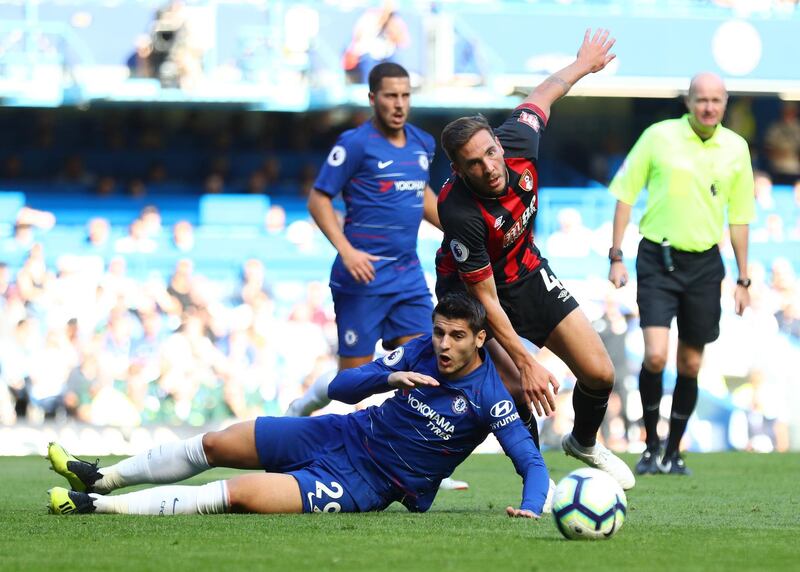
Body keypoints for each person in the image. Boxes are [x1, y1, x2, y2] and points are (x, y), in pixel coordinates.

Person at [46, 293, 551, 518]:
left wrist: (530, 509)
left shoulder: (490, 398)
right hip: (343, 433)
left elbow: (531, 462)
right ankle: (102, 477)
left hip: (367, 483)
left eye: (456, 336)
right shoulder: (418, 348)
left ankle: (100, 506)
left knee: (241, 495)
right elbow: (341, 386)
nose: (442, 344)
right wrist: (387, 374)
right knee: (217, 441)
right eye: (439, 331)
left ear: (481, 339)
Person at [435, 29, 635, 491]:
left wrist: (583, 63)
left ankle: (583, 443)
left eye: (490, 152)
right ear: (458, 171)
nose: (489, 166)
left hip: (527, 272)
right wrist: (525, 363)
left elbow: (545, 92)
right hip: (471, 296)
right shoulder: (460, 210)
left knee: (600, 373)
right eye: (474, 163)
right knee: (515, 391)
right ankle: (537, 483)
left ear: (500, 143)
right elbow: (485, 296)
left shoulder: (518, 141)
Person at [607, 72, 755, 476]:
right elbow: (625, 192)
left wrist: (743, 279)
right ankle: (650, 446)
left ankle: (674, 451)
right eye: (701, 99)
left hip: (706, 264)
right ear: (688, 101)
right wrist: (616, 255)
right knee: (655, 355)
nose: (708, 107)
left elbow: (740, 217)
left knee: (690, 364)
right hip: (658, 256)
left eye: (716, 100)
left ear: (725, 104)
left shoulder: (736, 149)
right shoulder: (658, 136)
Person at [285, 63, 439, 416]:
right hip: (362, 275)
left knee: (424, 368)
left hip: (407, 275)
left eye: (405, 96)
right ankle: (303, 406)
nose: (399, 104)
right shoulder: (355, 144)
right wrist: (347, 251)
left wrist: (461, 228)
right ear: (373, 99)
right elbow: (318, 198)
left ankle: (421, 469)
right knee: (353, 384)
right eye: (390, 96)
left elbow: (421, 193)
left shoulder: (422, 143)